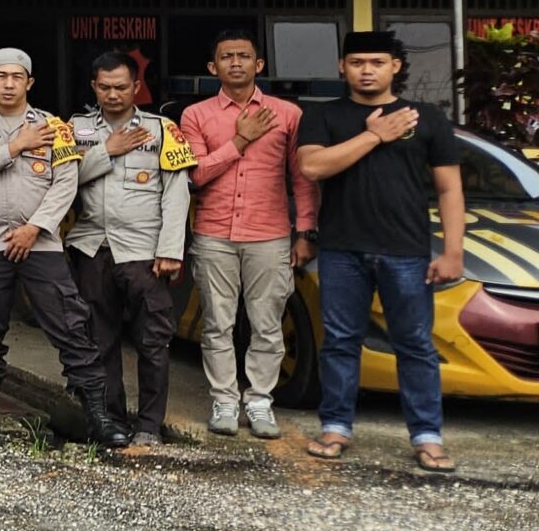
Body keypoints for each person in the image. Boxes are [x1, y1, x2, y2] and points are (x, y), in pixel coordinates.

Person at [295, 31, 464, 473]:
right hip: (341, 249)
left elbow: (449, 188)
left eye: (376, 61)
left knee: (415, 346)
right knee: (340, 342)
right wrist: (374, 136)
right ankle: (335, 427)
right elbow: (312, 166)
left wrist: (453, 251)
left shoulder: (425, 117)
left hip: (406, 251)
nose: (366, 69)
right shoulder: (323, 116)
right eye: (356, 61)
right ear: (341, 67)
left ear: (395, 67)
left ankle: (427, 436)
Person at [0, 47, 126, 447]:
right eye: (1, 76)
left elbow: (66, 182)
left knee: (71, 326)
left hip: (42, 243)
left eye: (17, 77)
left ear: (29, 82)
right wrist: (15, 146)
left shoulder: (55, 127)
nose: (9, 83)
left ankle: (98, 417)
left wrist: (35, 227)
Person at [176, 29, 318, 440]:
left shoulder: (287, 115)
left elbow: (303, 179)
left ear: (259, 65)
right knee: (217, 324)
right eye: (226, 57)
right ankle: (224, 399)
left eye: (243, 56)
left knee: (267, 324)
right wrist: (240, 139)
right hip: (214, 233)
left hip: (270, 234)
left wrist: (305, 230)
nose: (234, 63)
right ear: (212, 67)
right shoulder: (196, 116)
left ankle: (259, 402)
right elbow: (196, 175)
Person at [66, 53, 193, 446]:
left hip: (144, 251)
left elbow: (177, 193)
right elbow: (62, 181)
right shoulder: (76, 128)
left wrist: (171, 249)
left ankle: (149, 426)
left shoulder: (163, 129)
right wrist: (108, 150)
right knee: (98, 341)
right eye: (104, 87)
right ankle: (110, 422)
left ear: (136, 86)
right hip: (91, 247)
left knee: (152, 341)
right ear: (93, 87)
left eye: (121, 87)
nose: (113, 94)